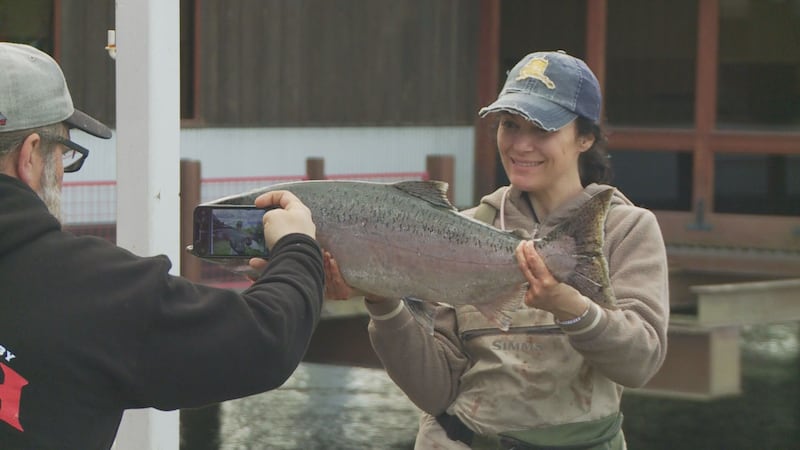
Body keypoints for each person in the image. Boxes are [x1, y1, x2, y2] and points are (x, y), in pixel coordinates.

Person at [325, 50, 669, 449]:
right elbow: (435, 392)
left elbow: (640, 363)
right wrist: (383, 302)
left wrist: (568, 306)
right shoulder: (460, 229)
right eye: (509, 125)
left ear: (585, 137)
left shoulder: (627, 229)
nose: (521, 145)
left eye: (542, 128)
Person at [0, 42, 325, 449]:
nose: (64, 174)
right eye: (64, 154)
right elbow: (266, 341)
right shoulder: (95, 290)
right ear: (29, 156)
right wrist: (297, 248)